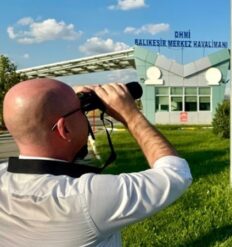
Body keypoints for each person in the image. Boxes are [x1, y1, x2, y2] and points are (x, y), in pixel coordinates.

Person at [0, 78, 192, 246]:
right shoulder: (83, 198)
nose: (84, 115)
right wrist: (130, 115)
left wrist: (62, 101)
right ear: (64, 129)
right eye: (81, 111)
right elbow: (176, 173)